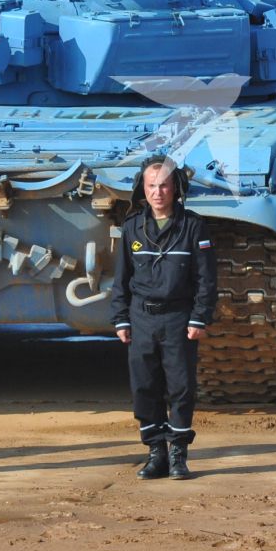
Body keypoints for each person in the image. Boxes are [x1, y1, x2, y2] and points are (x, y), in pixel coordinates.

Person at [110, 156, 217, 480]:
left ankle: (178, 454)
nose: (158, 192)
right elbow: (121, 278)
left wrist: (200, 317)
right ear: (142, 189)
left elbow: (206, 279)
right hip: (142, 318)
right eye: (151, 185)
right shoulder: (133, 228)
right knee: (145, 386)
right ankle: (155, 452)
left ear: (176, 188)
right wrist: (121, 318)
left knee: (181, 387)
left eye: (164, 185)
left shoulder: (193, 227)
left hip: (177, 319)